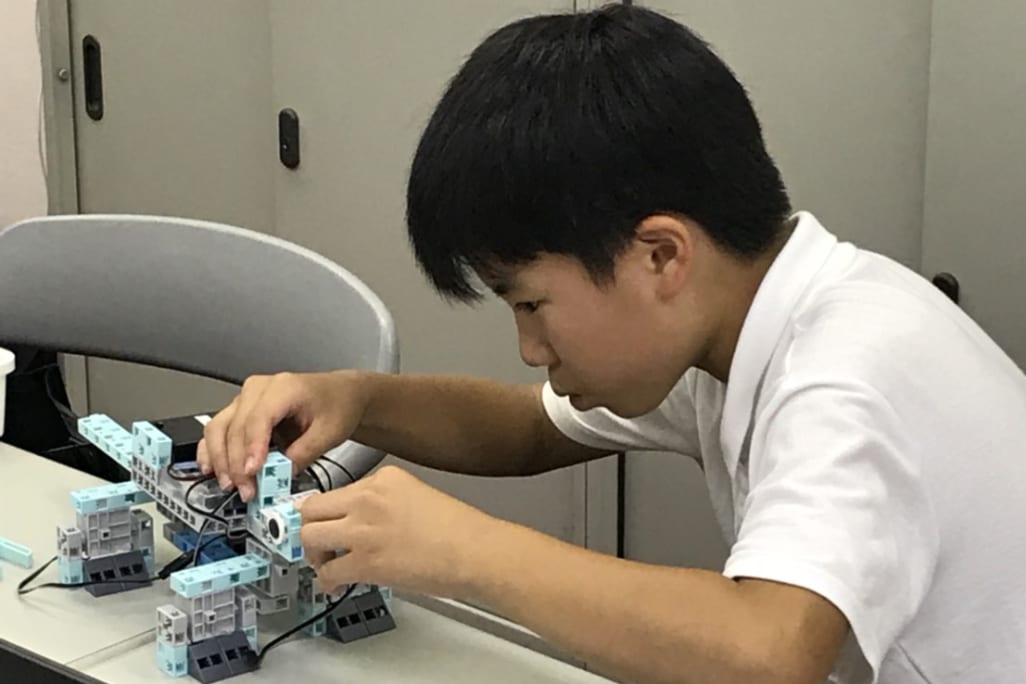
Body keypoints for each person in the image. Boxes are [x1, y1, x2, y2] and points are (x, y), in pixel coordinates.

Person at [198, 5, 1026, 683]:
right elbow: (529, 429)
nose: (530, 348)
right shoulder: (736, 323)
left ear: (660, 255)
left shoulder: (844, 376)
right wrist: (357, 400)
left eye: (532, 304)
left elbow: (769, 654)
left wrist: (463, 551)